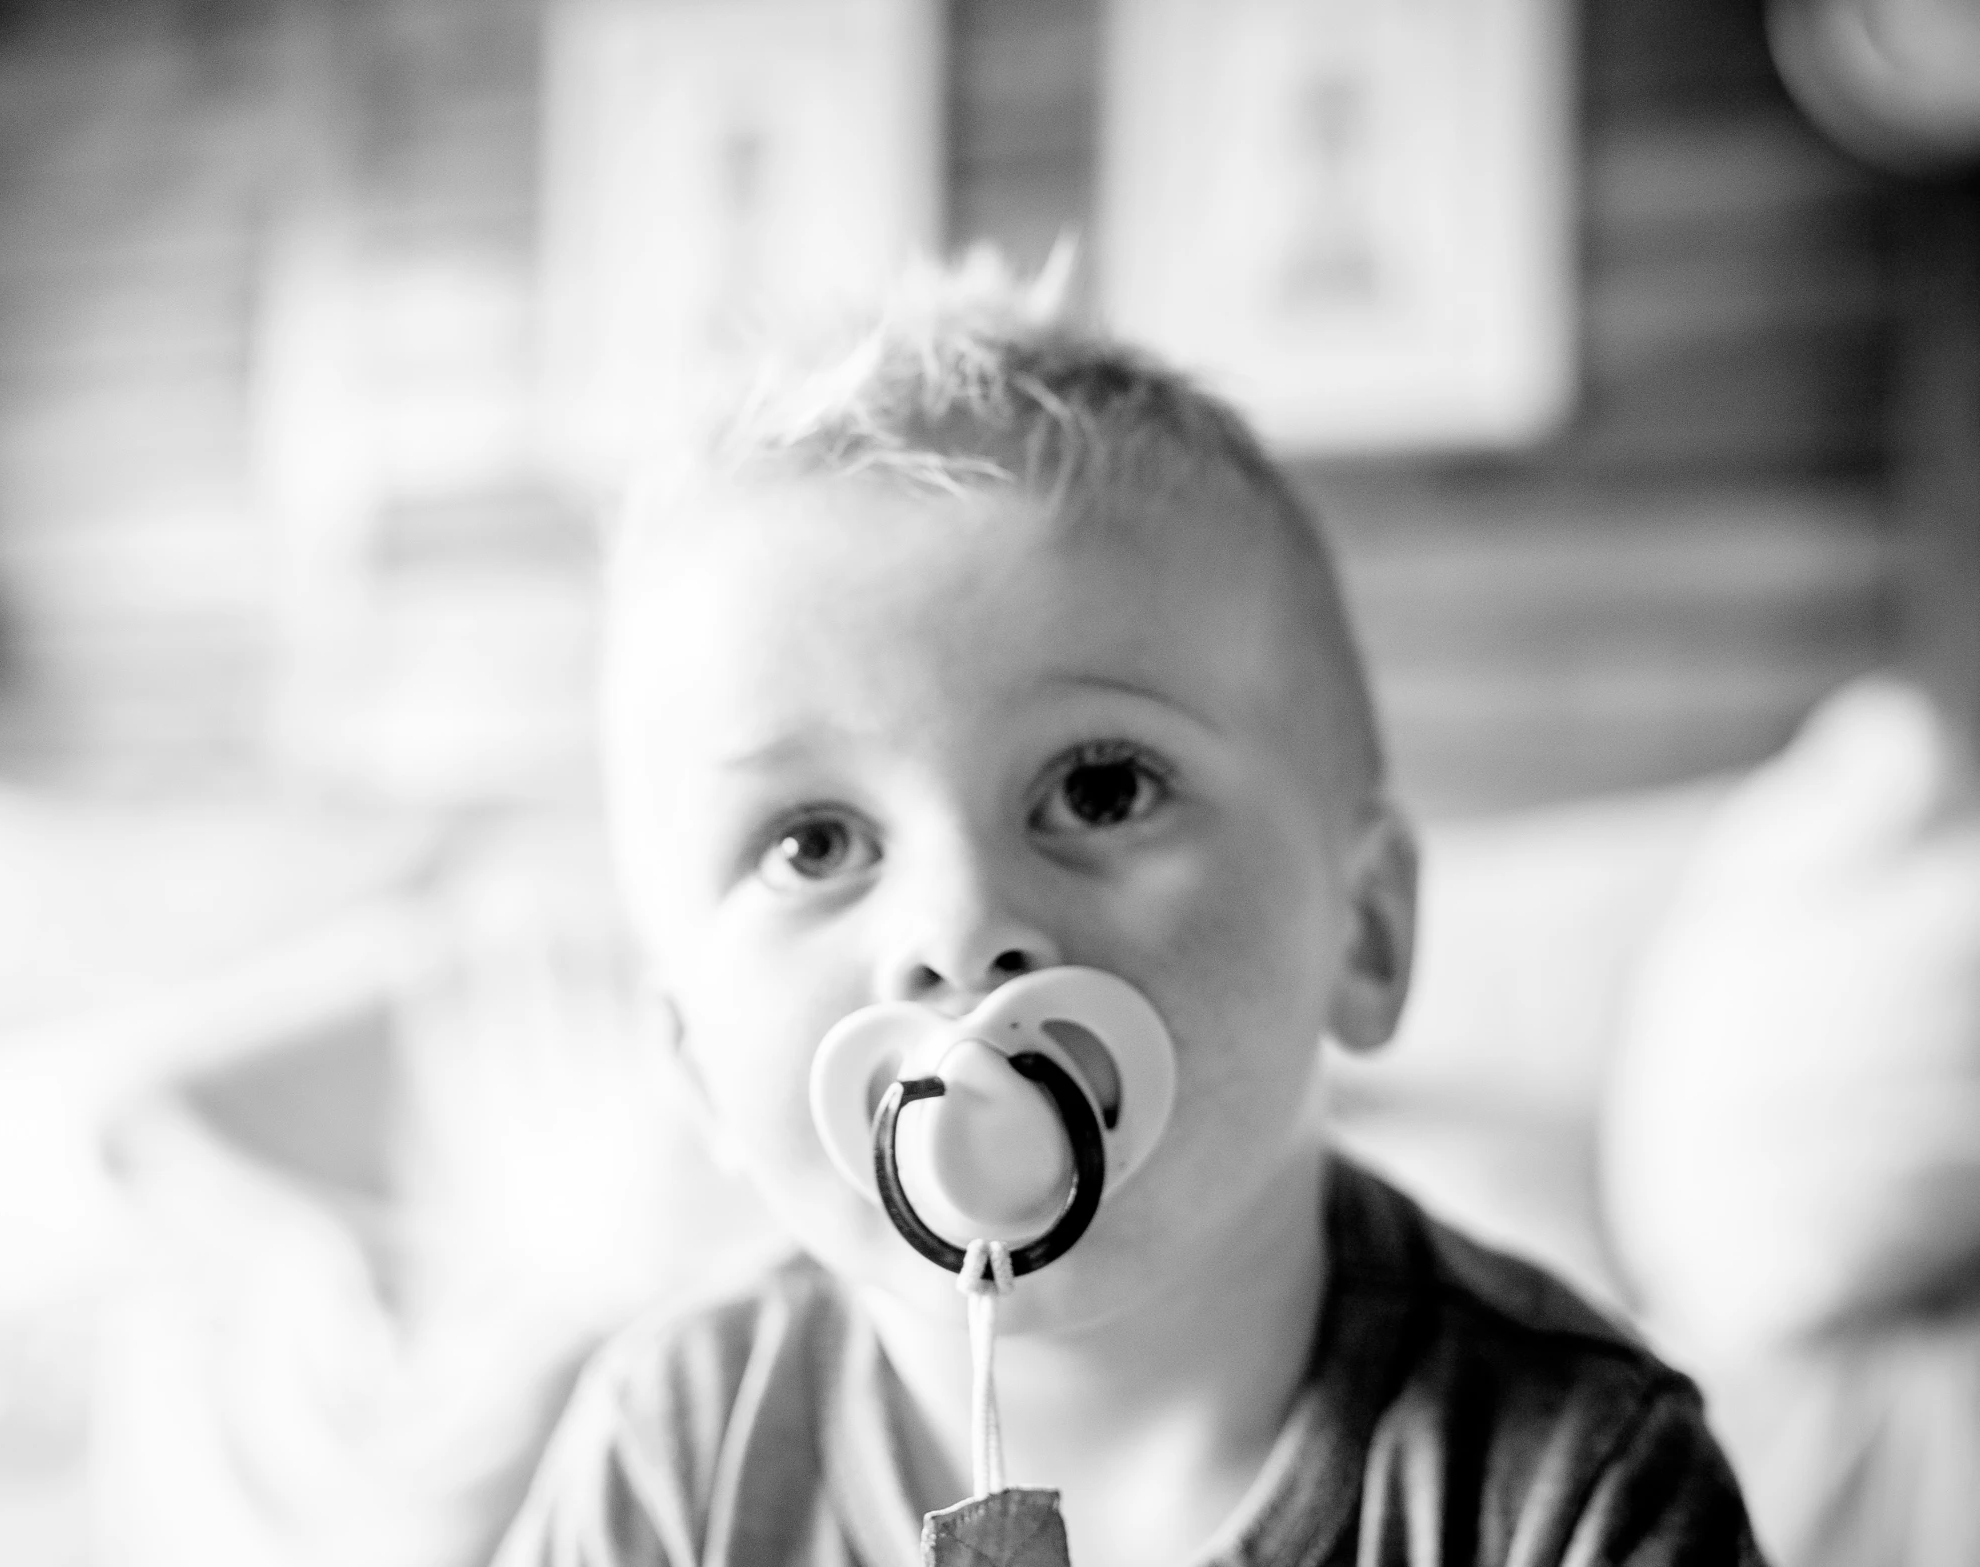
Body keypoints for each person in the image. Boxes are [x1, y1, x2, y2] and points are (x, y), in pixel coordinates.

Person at [493, 261, 1764, 1567]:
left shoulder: (1567, 1480)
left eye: (1099, 788)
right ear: (694, 1066)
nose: (957, 928)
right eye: (813, 842)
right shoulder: (672, 1454)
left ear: (1364, 930)